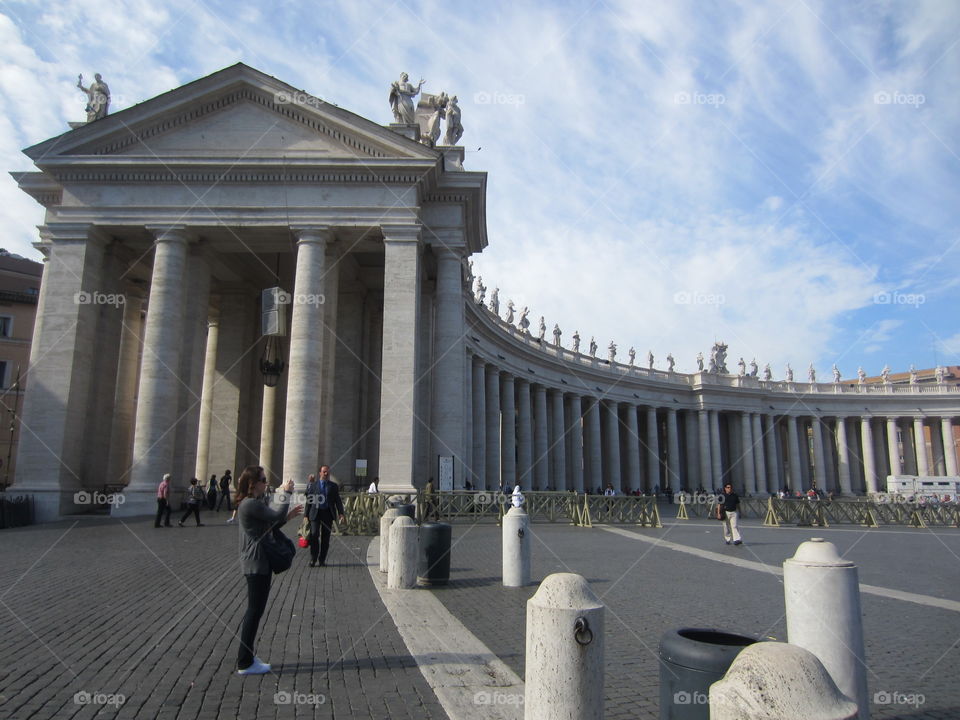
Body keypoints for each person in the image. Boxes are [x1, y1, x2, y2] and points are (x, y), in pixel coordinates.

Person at [235, 466, 303, 675]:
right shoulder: (249, 505)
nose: (266, 483)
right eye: (263, 480)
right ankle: (245, 662)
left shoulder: (252, 504)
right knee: (254, 611)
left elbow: (269, 526)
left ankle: (246, 658)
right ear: (253, 483)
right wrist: (286, 493)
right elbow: (274, 516)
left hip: (258, 562)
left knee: (255, 611)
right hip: (256, 563)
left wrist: (288, 517)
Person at [304, 466, 345, 567]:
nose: (326, 474)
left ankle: (322, 559)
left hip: (327, 513)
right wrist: (305, 515)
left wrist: (341, 513)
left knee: (325, 538)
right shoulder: (314, 486)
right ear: (320, 473)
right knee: (314, 535)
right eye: (324, 472)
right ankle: (313, 558)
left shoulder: (333, 486)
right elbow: (309, 501)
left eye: (328, 472)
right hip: (315, 513)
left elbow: (337, 501)